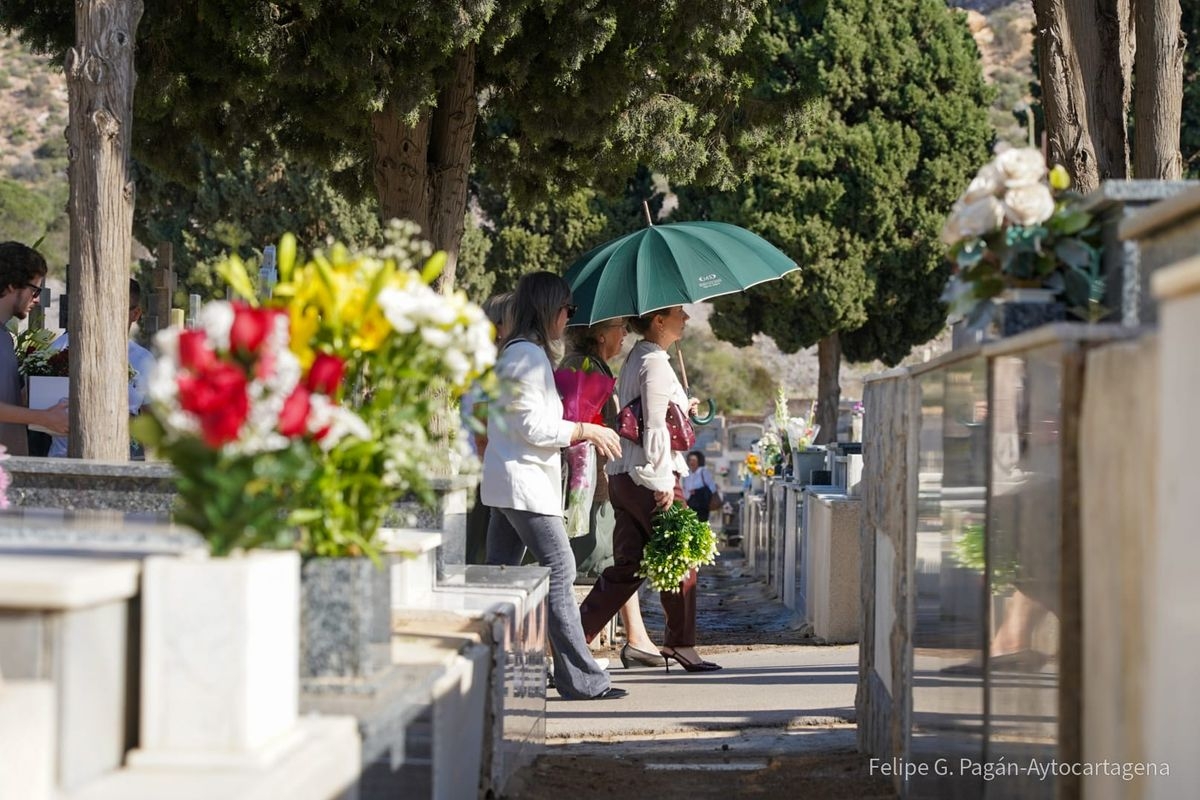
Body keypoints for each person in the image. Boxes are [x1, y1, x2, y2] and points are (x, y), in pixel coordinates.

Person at [481, 271, 627, 701]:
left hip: (511, 482)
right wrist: (584, 429)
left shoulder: (516, 353)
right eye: (568, 309)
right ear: (551, 310)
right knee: (560, 570)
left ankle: (494, 667)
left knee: (501, 578)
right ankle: (581, 680)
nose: (569, 318)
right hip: (524, 483)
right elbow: (531, 425)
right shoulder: (527, 356)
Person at [579, 306, 721, 673]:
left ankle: (572, 637)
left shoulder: (638, 359)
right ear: (659, 321)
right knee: (683, 553)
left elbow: (650, 413)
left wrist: (683, 406)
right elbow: (655, 427)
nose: (686, 318)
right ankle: (681, 643)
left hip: (625, 475)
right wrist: (662, 482)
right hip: (650, 476)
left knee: (628, 567)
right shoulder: (655, 362)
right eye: (679, 313)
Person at [561, 319, 664, 669]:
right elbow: (581, 423)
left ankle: (637, 637)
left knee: (620, 560)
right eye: (620, 327)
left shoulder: (595, 365)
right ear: (599, 334)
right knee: (610, 561)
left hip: (601, 480)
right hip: (589, 487)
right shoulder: (583, 366)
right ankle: (573, 644)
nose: (625, 334)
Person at [48, 278, 155, 459]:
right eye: (101, 307)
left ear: (135, 313)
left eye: (117, 310)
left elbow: (152, 424)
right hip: (63, 459)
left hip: (121, 462)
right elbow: (30, 398)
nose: (107, 316)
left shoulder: (144, 360)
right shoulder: (63, 346)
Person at [0, 242, 69, 455]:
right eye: (35, 290)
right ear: (12, 285)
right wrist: (44, 418)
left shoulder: (5, 337)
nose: (37, 299)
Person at [463, 292, 513, 564]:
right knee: (476, 551)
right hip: (481, 469)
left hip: (483, 466)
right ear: (499, 328)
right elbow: (481, 424)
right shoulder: (488, 368)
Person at [682, 450, 720, 523]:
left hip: (701, 504)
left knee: (700, 523)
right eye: (690, 460)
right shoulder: (688, 474)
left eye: (694, 460)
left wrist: (697, 491)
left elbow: (712, 488)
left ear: (699, 461)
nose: (691, 462)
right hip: (690, 503)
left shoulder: (704, 472)